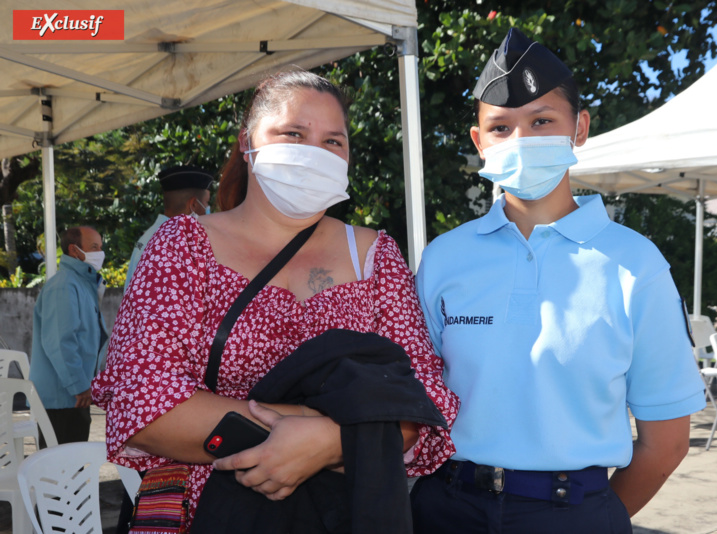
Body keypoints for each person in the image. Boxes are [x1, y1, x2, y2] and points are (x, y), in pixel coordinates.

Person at [91, 70, 459, 530]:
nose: (314, 153)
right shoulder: (183, 246)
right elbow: (145, 403)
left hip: (340, 516)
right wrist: (320, 429)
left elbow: (421, 405)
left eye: (333, 141)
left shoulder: (374, 256)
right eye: (294, 134)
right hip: (204, 514)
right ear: (248, 143)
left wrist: (326, 442)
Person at [411, 29, 706, 533]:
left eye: (542, 121)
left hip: (574, 511)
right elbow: (415, 400)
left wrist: (594, 519)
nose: (521, 140)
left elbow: (666, 443)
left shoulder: (636, 265)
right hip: (447, 508)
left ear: (579, 127)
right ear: (479, 143)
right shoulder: (444, 258)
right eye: (501, 127)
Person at [31, 225, 109, 445]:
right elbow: (59, 342)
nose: (100, 253)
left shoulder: (82, 283)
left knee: (73, 461)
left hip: (74, 394)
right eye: (94, 247)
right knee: (60, 462)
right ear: (75, 250)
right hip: (64, 397)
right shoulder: (64, 286)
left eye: (100, 247)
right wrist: (79, 386)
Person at [123, 165, 213, 288]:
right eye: (207, 202)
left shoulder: (153, 235)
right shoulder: (174, 242)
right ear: (193, 205)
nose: (208, 209)